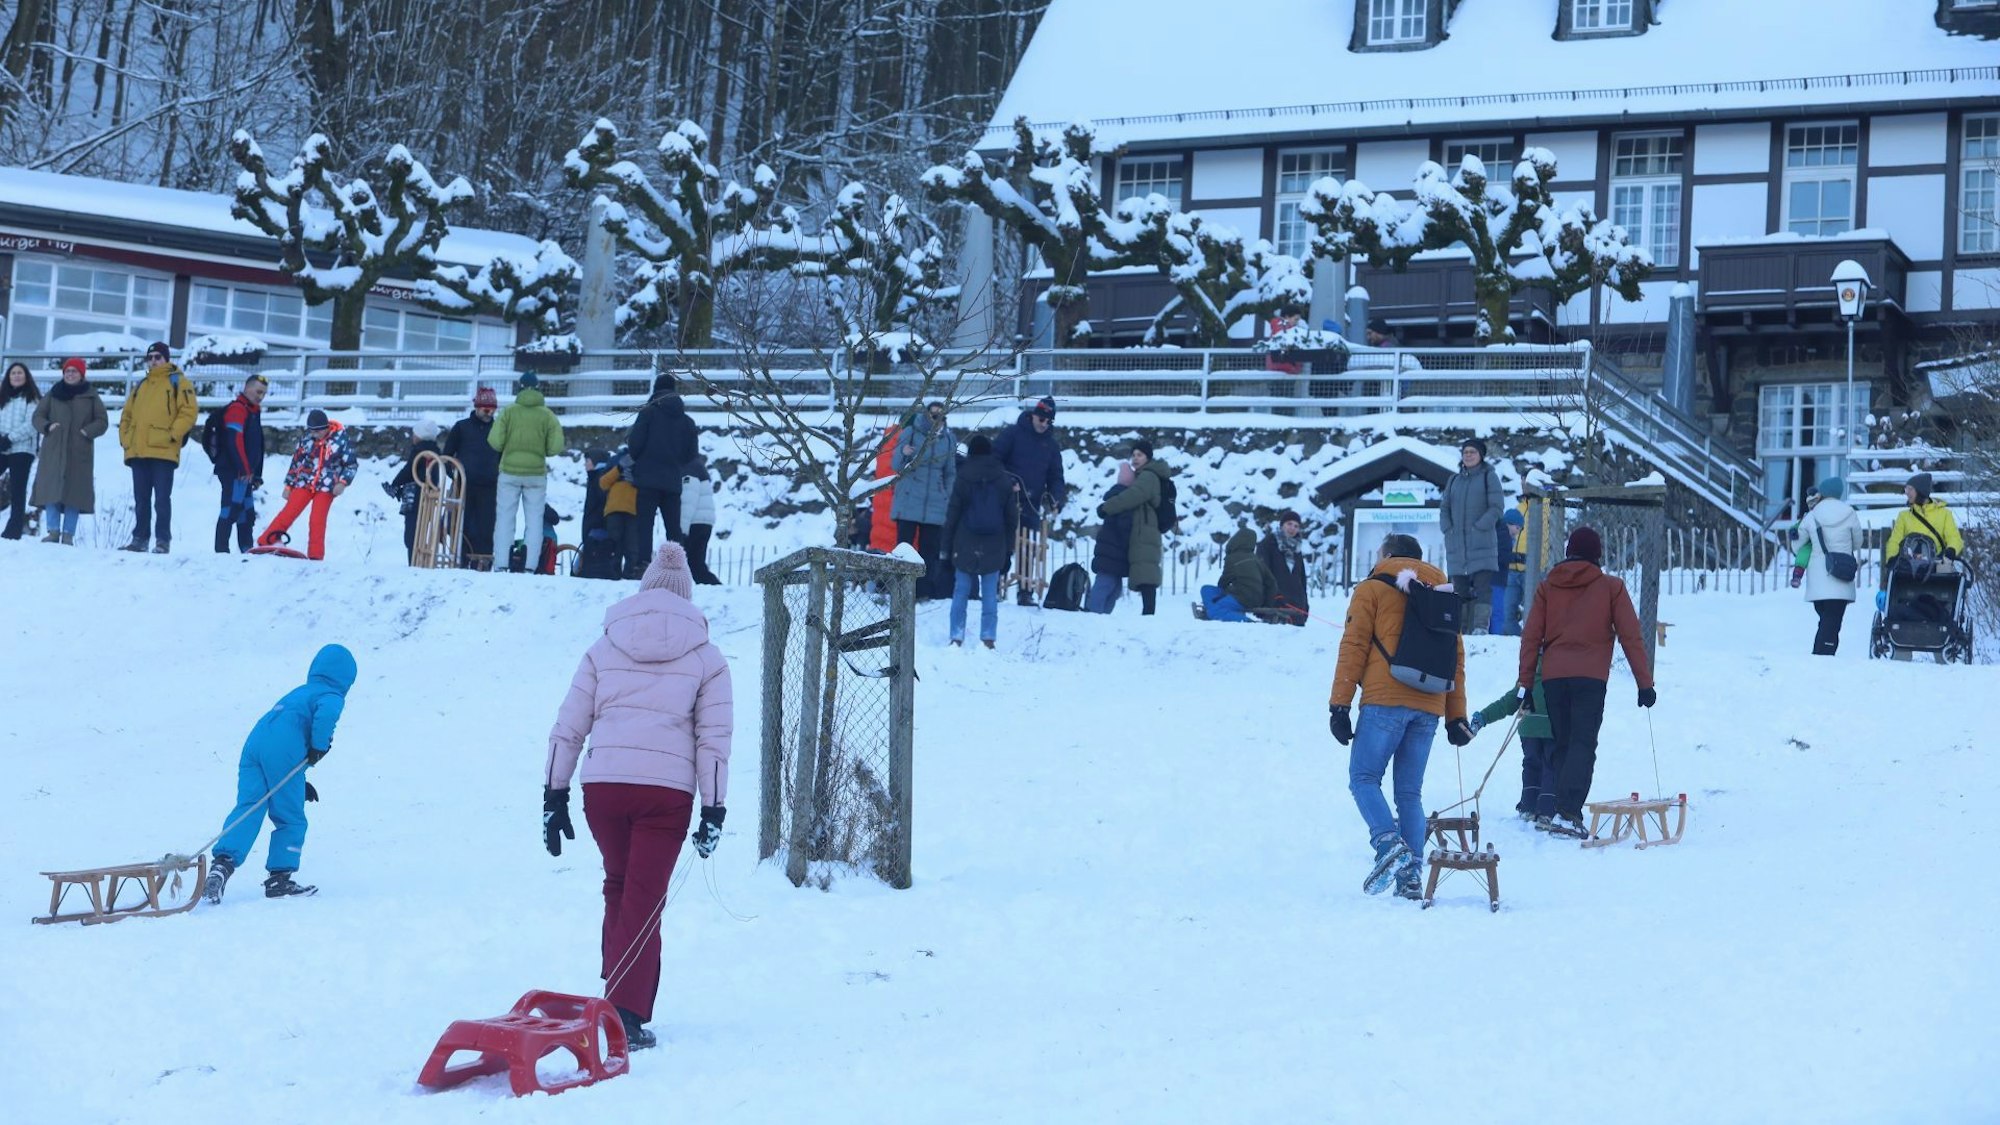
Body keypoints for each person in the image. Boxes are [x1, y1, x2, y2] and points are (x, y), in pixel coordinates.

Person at [544, 542, 732, 1051]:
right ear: (688, 596)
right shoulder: (707, 658)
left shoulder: (602, 649)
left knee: (619, 885)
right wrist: (714, 807)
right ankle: (623, 1013)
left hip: (603, 788)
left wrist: (554, 794)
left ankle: (614, 992)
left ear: (645, 588)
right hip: (664, 795)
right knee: (644, 899)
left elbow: (569, 725)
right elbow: (712, 740)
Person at [1327, 534, 1472, 900]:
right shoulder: (1442, 593)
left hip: (1384, 699)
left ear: (1388, 555)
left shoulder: (1372, 588)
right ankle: (1410, 877)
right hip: (1430, 706)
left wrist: (1339, 705)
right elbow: (1456, 657)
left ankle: (1388, 844)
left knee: (1363, 777)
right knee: (1409, 793)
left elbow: (1354, 645)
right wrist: (1457, 716)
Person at [1515, 526, 1655, 839]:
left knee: (1563, 741)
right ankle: (1568, 812)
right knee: (1582, 743)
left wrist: (1525, 685)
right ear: (1597, 555)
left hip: (1553, 678)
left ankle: (1561, 808)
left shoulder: (1548, 587)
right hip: (1590, 678)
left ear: (1568, 553)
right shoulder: (1611, 587)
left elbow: (1531, 637)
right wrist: (1644, 683)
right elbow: (1631, 636)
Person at [203, 644, 356, 904]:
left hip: (254, 745)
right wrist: (320, 747)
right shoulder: (330, 695)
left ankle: (222, 865)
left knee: (250, 807)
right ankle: (279, 880)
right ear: (347, 678)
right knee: (291, 819)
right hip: (282, 754)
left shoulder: (299, 693)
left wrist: (300, 778)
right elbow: (324, 717)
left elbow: (283, 733)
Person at [116, 341, 198, 553]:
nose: (153, 361)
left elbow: (188, 411)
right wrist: (126, 439)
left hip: (163, 451)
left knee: (162, 500)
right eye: (150, 357)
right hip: (138, 451)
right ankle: (140, 539)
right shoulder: (141, 385)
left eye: (158, 357)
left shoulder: (178, 381)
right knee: (141, 499)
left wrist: (173, 434)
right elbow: (127, 415)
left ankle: (163, 541)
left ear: (166, 358)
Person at [942, 433, 1019, 648]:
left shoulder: (963, 475)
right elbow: (1012, 518)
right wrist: (1008, 550)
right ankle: (988, 638)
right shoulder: (1003, 478)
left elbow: (953, 514)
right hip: (994, 544)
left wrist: (945, 549)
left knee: (961, 591)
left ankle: (956, 636)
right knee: (990, 594)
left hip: (965, 540)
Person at [993, 396, 1067, 605]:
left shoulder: (1051, 445)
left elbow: (1056, 476)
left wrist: (1056, 498)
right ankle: (997, 585)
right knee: (1004, 544)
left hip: (1032, 502)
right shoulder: (1012, 434)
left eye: (1048, 421)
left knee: (1029, 547)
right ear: (1034, 415)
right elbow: (995, 458)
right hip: (1008, 498)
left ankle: (1025, 591)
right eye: (1041, 419)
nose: (1044, 424)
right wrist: (1007, 481)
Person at [489, 373, 565, 572]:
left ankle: (502, 563)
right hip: (536, 475)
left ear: (519, 387)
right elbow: (555, 447)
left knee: (505, 518)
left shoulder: (508, 412)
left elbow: (495, 442)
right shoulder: (547, 415)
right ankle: (531, 566)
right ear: (538, 388)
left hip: (509, 474)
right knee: (534, 521)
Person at [623, 373, 699, 573]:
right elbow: (692, 454)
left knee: (645, 525)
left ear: (655, 390)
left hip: (647, 479)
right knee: (673, 527)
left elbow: (635, 444)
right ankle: (678, 566)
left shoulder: (648, 413)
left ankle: (643, 564)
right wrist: (675, 463)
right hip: (673, 480)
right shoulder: (687, 422)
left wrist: (642, 459)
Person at [257, 409, 357, 560]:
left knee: (317, 519)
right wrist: (289, 486)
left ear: (326, 427)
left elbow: (351, 465)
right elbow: (296, 463)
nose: (314, 435)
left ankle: (316, 555)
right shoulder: (307, 440)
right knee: (288, 512)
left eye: (317, 431)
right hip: (304, 482)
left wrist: (342, 482)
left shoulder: (340, 440)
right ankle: (267, 541)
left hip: (327, 487)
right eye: (311, 431)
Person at [30, 358, 108, 544]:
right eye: (67, 371)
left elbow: (102, 421)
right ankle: (53, 531)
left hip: (79, 450)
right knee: (51, 490)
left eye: (74, 371)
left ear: (81, 374)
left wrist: (87, 432)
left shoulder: (91, 395)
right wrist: (47, 427)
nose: (70, 374)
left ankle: (68, 535)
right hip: (54, 450)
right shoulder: (53, 393)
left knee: (75, 493)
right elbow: (37, 416)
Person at [1094, 440, 1169, 615]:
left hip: (1145, 529)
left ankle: (1148, 614)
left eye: (1140, 455)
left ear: (1148, 457)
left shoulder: (1148, 475)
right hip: (1143, 527)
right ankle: (1147, 613)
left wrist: (1106, 507)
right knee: (1144, 570)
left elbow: (1133, 496)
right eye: (1133, 455)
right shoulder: (1144, 474)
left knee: (1146, 571)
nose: (1135, 458)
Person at [1439, 436, 1504, 633]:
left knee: (1483, 588)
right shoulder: (1454, 480)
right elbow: (1445, 507)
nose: (1468, 455)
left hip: (1482, 543)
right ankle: (1461, 629)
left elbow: (1497, 507)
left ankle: (1480, 627)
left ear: (1481, 455)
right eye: (1465, 452)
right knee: (1459, 589)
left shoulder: (1489, 477)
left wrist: (1479, 527)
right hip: (1457, 545)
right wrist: (1447, 529)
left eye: (1472, 452)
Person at [1790, 477, 1862, 656]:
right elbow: (1858, 543)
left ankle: (1823, 654)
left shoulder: (1812, 515)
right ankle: (1823, 654)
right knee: (1833, 620)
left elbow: (1797, 546)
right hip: (1842, 573)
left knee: (1826, 619)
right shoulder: (1850, 512)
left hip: (1819, 578)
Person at [892, 400, 956, 599]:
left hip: (935, 503)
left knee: (930, 550)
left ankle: (924, 591)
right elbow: (895, 464)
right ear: (926, 415)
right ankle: (900, 591)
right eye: (933, 415)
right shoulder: (910, 432)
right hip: (909, 499)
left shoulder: (948, 439)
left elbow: (950, 472)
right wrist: (903, 453)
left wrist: (946, 494)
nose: (936, 420)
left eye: (940, 416)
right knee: (904, 547)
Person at [1877, 471, 1964, 614]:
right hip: (1909, 567)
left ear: (1921, 490)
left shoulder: (1944, 514)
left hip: (1935, 565)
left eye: (1910, 489)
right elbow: (1894, 541)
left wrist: (1950, 551)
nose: (1907, 493)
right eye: (1906, 489)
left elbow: (1954, 538)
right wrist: (1892, 558)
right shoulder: (1904, 516)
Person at [1467, 673, 1550, 817]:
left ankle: (1528, 806)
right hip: (1553, 726)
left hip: (1529, 725)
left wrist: (1483, 717)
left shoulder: (1530, 667)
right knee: (1552, 766)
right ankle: (1547, 810)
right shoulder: (1561, 667)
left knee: (1532, 764)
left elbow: (1511, 700)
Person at [442, 388, 501, 568]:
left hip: (490, 486)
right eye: (485, 408)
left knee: (487, 526)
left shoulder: (499, 429)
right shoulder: (462, 427)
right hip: (465, 486)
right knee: (465, 526)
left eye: (492, 408)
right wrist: (454, 476)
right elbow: (447, 455)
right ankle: (463, 561)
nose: (488, 412)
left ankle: (484, 563)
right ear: (477, 407)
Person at [211, 375, 269, 554]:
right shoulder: (238, 409)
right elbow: (234, 441)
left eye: (264, 393)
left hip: (246, 473)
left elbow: (256, 445)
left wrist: (256, 474)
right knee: (230, 509)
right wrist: (244, 469)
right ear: (247, 388)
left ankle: (247, 550)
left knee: (247, 513)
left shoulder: (253, 411)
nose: (261, 396)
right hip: (233, 471)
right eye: (258, 391)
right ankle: (221, 551)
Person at [385, 420, 442, 558]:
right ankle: (422, 559)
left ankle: (414, 560)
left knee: (411, 533)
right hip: (429, 495)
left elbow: (409, 470)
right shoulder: (436, 451)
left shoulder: (419, 451)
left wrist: (395, 484)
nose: (413, 436)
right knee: (422, 528)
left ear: (420, 436)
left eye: (415, 434)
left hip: (414, 496)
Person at [1087, 460, 1137, 614]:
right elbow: (1124, 526)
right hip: (1113, 550)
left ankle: (1102, 617)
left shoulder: (1115, 498)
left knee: (1114, 587)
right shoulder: (1124, 500)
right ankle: (1092, 614)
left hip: (1111, 550)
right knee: (1106, 584)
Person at [0, 362, 42, 539]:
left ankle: (13, 530)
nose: (16, 376)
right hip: (1, 447)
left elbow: (32, 424)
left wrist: (10, 438)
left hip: (22, 450)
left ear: (26, 377)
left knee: (18, 489)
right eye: (13, 373)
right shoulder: (3, 398)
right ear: (8, 377)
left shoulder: (32, 398)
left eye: (20, 373)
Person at [1202, 527, 1279, 622]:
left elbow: (1224, 581)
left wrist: (1222, 597)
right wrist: (1267, 604)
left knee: (1210, 600)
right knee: (1207, 590)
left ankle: (1246, 621)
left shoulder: (1232, 558)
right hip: (1256, 598)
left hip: (1241, 598)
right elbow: (1272, 584)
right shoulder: (1257, 560)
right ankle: (1221, 611)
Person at [1256, 509, 1310, 626]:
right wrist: (1272, 596)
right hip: (1275, 605)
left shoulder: (1297, 549)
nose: (1292, 528)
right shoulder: (1268, 544)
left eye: (1296, 526)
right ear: (1282, 525)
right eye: (1289, 524)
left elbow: (1301, 579)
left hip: (1296, 607)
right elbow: (1262, 574)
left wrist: (1305, 605)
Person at [679, 453, 722, 585]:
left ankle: (717, 589)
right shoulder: (697, 465)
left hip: (695, 522)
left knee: (694, 564)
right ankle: (715, 589)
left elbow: (688, 499)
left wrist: (682, 529)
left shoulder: (689, 468)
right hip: (704, 521)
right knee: (696, 563)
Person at [1491, 507, 1527, 636]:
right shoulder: (1503, 534)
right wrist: (1517, 557)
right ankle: (1496, 636)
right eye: (1517, 528)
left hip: (1495, 576)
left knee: (1498, 610)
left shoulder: (1498, 532)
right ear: (1509, 524)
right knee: (1498, 611)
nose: (1517, 532)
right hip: (1497, 578)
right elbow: (1501, 555)